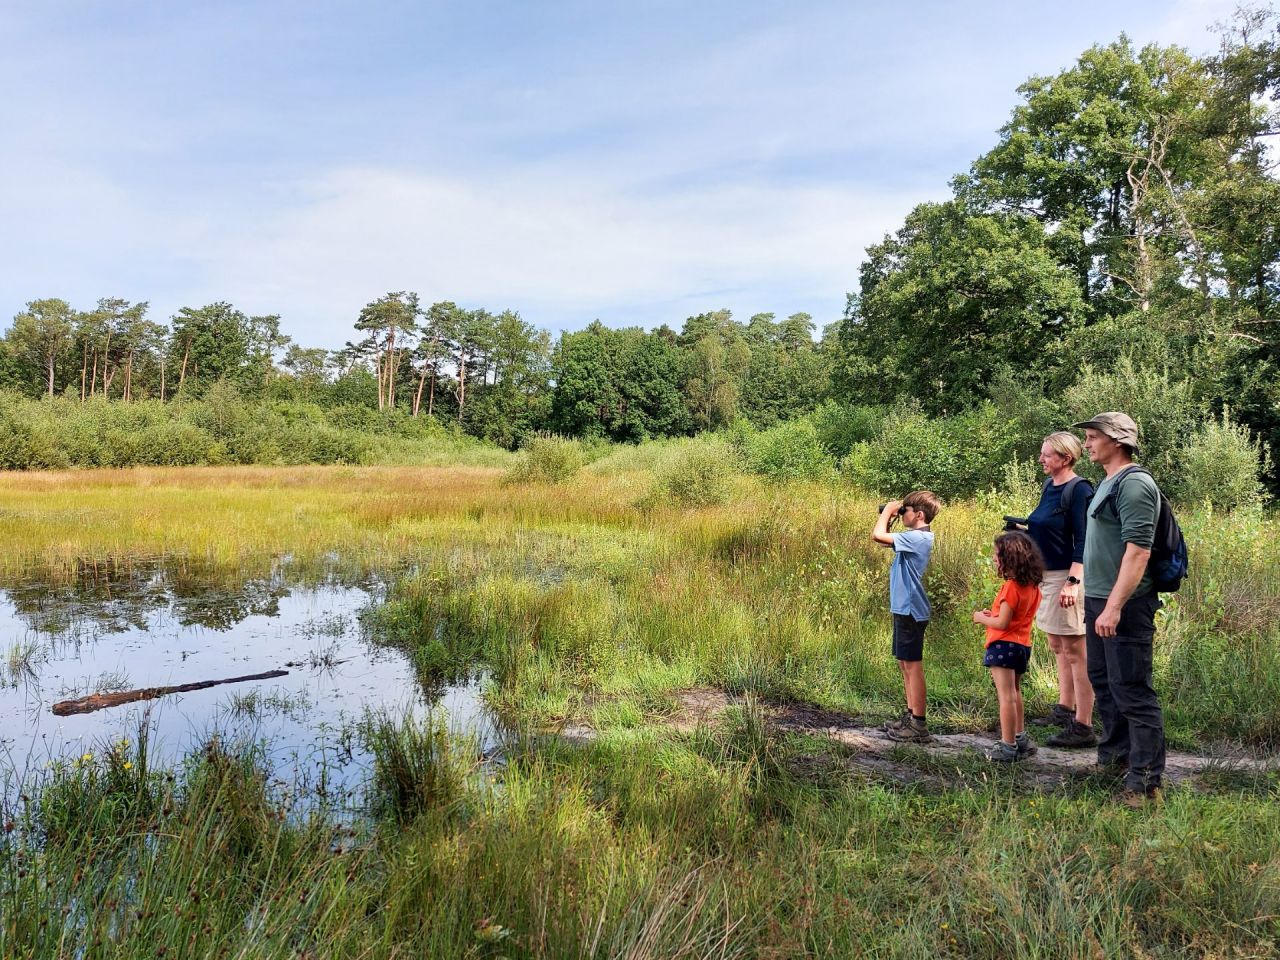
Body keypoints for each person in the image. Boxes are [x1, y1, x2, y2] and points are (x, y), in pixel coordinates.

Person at [1073, 411, 1166, 804]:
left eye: (1094, 436)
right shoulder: (1106, 483)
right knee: (1105, 682)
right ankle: (1114, 760)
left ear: (1117, 441)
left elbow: (1138, 552)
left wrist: (1113, 607)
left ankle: (1146, 784)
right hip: (1099, 599)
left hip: (1124, 604)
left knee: (1132, 689)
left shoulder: (1135, 484)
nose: (1088, 443)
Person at [1024, 432, 1098, 749]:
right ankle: (1065, 709)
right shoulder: (1048, 486)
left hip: (1066, 578)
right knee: (1057, 645)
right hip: (1046, 575)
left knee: (1075, 651)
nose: (1041, 459)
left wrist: (1074, 581)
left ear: (1065, 459)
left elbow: (1084, 539)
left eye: (1047, 455)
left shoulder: (1078, 490)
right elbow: (1047, 527)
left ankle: (1084, 725)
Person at [872, 490, 942, 743]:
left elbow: (877, 535)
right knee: (905, 665)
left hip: (912, 609)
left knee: (913, 667)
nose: (903, 514)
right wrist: (891, 516)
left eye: (906, 511)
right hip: (904, 608)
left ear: (919, 514)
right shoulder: (913, 537)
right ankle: (911, 715)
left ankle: (919, 724)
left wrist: (890, 510)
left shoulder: (918, 538)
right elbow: (881, 540)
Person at [973, 531, 1045, 762]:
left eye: (997, 555)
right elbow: (1016, 618)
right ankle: (1019, 737)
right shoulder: (1033, 588)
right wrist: (992, 613)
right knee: (1014, 693)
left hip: (1002, 646)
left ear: (1009, 558)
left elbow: (1002, 623)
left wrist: (980, 617)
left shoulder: (1011, 588)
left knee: (1005, 696)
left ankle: (1007, 746)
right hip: (1022, 646)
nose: (994, 559)